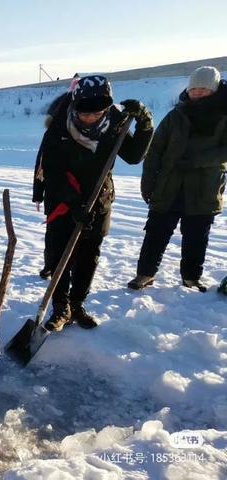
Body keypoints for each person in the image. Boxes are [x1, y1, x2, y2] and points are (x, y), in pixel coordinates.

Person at [42, 75, 154, 332]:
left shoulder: (115, 125)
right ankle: (60, 308)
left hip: (99, 200)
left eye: (97, 113)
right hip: (63, 200)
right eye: (84, 113)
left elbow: (135, 155)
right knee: (60, 255)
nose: (90, 117)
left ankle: (77, 304)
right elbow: (52, 171)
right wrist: (73, 202)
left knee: (88, 256)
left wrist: (145, 122)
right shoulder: (60, 127)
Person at [128, 66, 227, 292]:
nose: (198, 93)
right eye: (194, 89)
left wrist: (197, 160)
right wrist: (148, 183)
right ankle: (145, 274)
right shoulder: (176, 115)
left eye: (203, 89)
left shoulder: (224, 116)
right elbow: (155, 150)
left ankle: (191, 277)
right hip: (168, 186)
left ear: (213, 89)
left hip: (204, 188)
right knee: (155, 232)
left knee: (196, 237)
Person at [33, 75, 80, 279]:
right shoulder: (52, 134)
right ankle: (50, 264)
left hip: (78, 192)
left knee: (75, 231)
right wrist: (38, 192)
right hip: (54, 193)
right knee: (54, 232)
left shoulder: (84, 134)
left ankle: (70, 264)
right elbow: (41, 163)